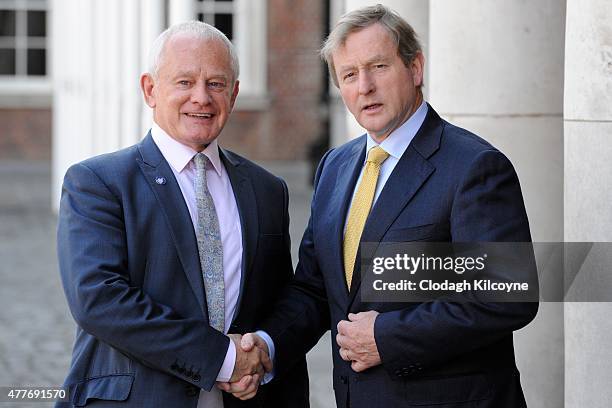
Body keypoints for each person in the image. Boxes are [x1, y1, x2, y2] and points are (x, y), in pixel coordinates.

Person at [222, 4, 538, 407]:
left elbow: (506, 295)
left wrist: (386, 337)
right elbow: (315, 289)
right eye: (349, 75)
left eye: (379, 67)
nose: (364, 86)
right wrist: (266, 346)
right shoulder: (336, 167)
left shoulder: (474, 167)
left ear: (416, 68)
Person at [56, 21, 308, 407]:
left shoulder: (267, 190)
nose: (202, 98)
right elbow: (99, 299)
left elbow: (280, 299)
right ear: (150, 89)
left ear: (235, 93)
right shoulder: (98, 182)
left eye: (216, 84)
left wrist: (263, 352)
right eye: (184, 82)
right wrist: (223, 360)